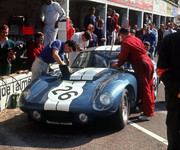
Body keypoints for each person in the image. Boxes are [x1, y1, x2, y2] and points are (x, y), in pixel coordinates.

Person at [112, 28, 155, 121]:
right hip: (148, 63)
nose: (120, 37)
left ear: (122, 34)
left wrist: (118, 64)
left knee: (145, 88)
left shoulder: (125, 43)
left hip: (141, 65)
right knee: (149, 87)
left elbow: (123, 58)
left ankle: (148, 113)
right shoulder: (136, 39)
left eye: (120, 35)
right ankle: (149, 110)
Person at [157, 31, 180, 149]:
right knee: (174, 139)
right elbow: (161, 69)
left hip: (173, 97)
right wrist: (178, 90)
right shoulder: (170, 40)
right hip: (175, 101)